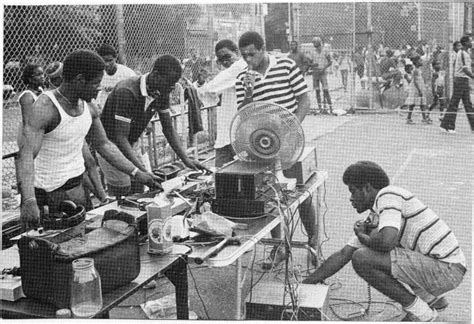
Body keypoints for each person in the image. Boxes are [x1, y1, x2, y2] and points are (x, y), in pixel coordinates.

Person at [16, 49, 162, 230]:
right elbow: (26, 155)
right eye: (95, 83)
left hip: (77, 189)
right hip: (47, 196)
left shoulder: (88, 106)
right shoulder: (45, 108)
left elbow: (104, 145)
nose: (99, 88)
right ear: (79, 80)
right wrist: (29, 199)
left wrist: (138, 174)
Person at [303, 161, 466, 322]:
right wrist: (306, 283)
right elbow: (343, 254)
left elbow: (387, 242)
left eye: (353, 191)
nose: (351, 199)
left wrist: (363, 237)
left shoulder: (388, 195)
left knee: (362, 258)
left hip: (447, 270)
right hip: (446, 268)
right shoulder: (377, 215)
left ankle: (422, 314)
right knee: (372, 251)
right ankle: (433, 301)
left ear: (367, 188)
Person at [235, 31, 315, 270]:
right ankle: (279, 246)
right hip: (264, 143)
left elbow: (304, 100)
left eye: (252, 53)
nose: (248, 59)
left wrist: (292, 126)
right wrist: (249, 92)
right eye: (244, 55)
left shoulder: (287, 67)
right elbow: (244, 114)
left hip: (290, 140)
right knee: (271, 195)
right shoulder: (242, 78)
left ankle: (312, 242)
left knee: (301, 193)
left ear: (263, 49)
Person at [99, 54, 208, 197]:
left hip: (131, 144)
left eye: (174, 84)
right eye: (170, 83)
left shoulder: (161, 90)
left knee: (139, 188)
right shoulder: (127, 91)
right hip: (112, 146)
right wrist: (141, 171)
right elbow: (120, 138)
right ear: (156, 75)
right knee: (123, 194)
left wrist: (186, 159)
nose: (172, 88)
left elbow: (168, 128)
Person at [198, 39, 247, 167]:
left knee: (230, 173)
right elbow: (210, 96)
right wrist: (202, 84)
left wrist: (202, 86)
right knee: (225, 173)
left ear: (237, 52)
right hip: (228, 132)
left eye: (227, 57)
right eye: (221, 60)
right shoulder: (229, 73)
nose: (225, 62)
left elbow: (209, 90)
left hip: (238, 133)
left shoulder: (239, 66)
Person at [440, 35, 474, 134]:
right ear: (465, 43)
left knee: (468, 104)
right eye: (470, 41)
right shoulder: (462, 53)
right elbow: (465, 69)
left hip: (464, 80)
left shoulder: (466, 53)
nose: (471, 43)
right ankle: (448, 126)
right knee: (454, 104)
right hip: (460, 80)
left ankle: (473, 126)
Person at [95, 44, 137, 114]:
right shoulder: (97, 74)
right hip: (104, 110)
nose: (107, 64)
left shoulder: (127, 73)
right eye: (104, 61)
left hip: (122, 109)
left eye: (110, 60)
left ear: (115, 58)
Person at [307, 37, 333, 114]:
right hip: (315, 72)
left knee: (325, 90)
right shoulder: (312, 52)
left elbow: (330, 62)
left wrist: (324, 68)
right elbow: (309, 62)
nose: (314, 44)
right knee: (317, 90)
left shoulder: (325, 51)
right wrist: (312, 65)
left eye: (315, 42)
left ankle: (330, 106)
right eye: (313, 43)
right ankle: (320, 107)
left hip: (323, 72)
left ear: (319, 43)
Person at [405, 56, 431, 125]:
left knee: (422, 103)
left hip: (419, 87)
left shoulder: (418, 70)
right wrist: (419, 90)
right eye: (420, 61)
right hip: (416, 89)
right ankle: (409, 118)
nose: (421, 62)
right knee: (413, 104)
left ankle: (424, 118)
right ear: (416, 62)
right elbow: (415, 81)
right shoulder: (416, 70)